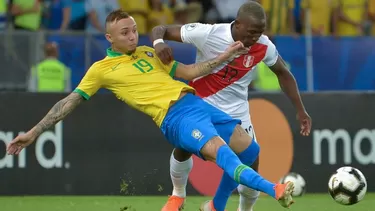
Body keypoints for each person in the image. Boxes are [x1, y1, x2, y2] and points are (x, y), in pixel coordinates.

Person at [6, 9, 295, 210]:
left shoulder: (148, 52)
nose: (133, 36)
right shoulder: (101, 70)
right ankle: (275, 190)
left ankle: (207, 206)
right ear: (110, 38)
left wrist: (227, 54)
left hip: (195, 102)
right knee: (225, 156)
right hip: (175, 117)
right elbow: (68, 102)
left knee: (252, 150)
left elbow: (192, 70)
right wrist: (33, 132)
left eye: (134, 30)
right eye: (125, 32)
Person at [151, 1, 311, 211]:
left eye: (260, 32)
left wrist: (301, 110)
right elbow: (159, 30)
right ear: (238, 24)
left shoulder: (263, 46)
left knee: (251, 160)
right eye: (251, 32)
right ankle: (178, 195)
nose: (255, 38)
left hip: (236, 112)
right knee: (183, 149)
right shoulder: (209, 33)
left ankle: (237, 208)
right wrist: (158, 43)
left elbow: (283, 74)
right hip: (201, 103)